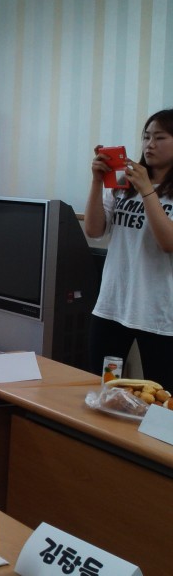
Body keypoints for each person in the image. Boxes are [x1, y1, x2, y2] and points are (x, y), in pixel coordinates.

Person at [84, 109, 173, 388]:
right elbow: (94, 230)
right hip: (112, 305)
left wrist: (148, 190)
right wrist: (97, 181)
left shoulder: (144, 186)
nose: (150, 144)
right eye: (146, 137)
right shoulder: (124, 184)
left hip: (159, 313)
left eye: (160, 137)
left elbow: (168, 243)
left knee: (161, 396)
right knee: (103, 386)